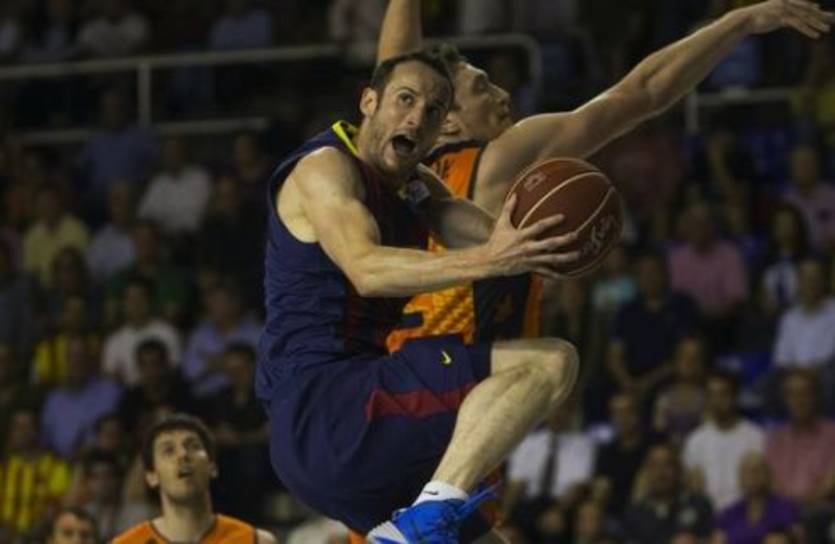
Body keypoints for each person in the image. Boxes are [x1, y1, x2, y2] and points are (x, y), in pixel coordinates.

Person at [376, 0, 833, 350]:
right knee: (555, 362)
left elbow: (394, 69)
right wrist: (738, 23)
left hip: (391, 380)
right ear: (447, 122)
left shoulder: (392, 166)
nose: (502, 94)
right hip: (458, 390)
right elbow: (642, 94)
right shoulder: (501, 156)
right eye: (482, 88)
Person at [259, 49, 581, 544]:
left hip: (337, 435)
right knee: (550, 363)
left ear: (442, 130)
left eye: (433, 111)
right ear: (369, 102)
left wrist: (535, 246)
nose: (416, 117)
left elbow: (456, 218)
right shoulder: (326, 168)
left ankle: (422, 519)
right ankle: (426, 516)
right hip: (328, 404)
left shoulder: (411, 183)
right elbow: (366, 269)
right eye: (405, 100)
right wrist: (494, 259)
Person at [112, 413, 276, 543]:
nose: (183, 454)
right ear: (152, 477)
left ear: (212, 467)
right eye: (168, 450)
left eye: (193, 446)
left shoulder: (255, 541)